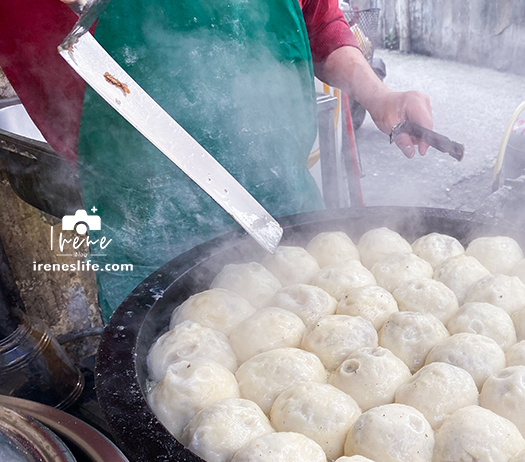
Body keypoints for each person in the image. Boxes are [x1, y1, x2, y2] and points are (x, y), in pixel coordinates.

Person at [0, 0, 433, 317]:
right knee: (161, 373)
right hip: (151, 219)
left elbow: (318, 22)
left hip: (280, 204)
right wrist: (107, 150)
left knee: (320, 322)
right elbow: (34, 38)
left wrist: (377, 93)